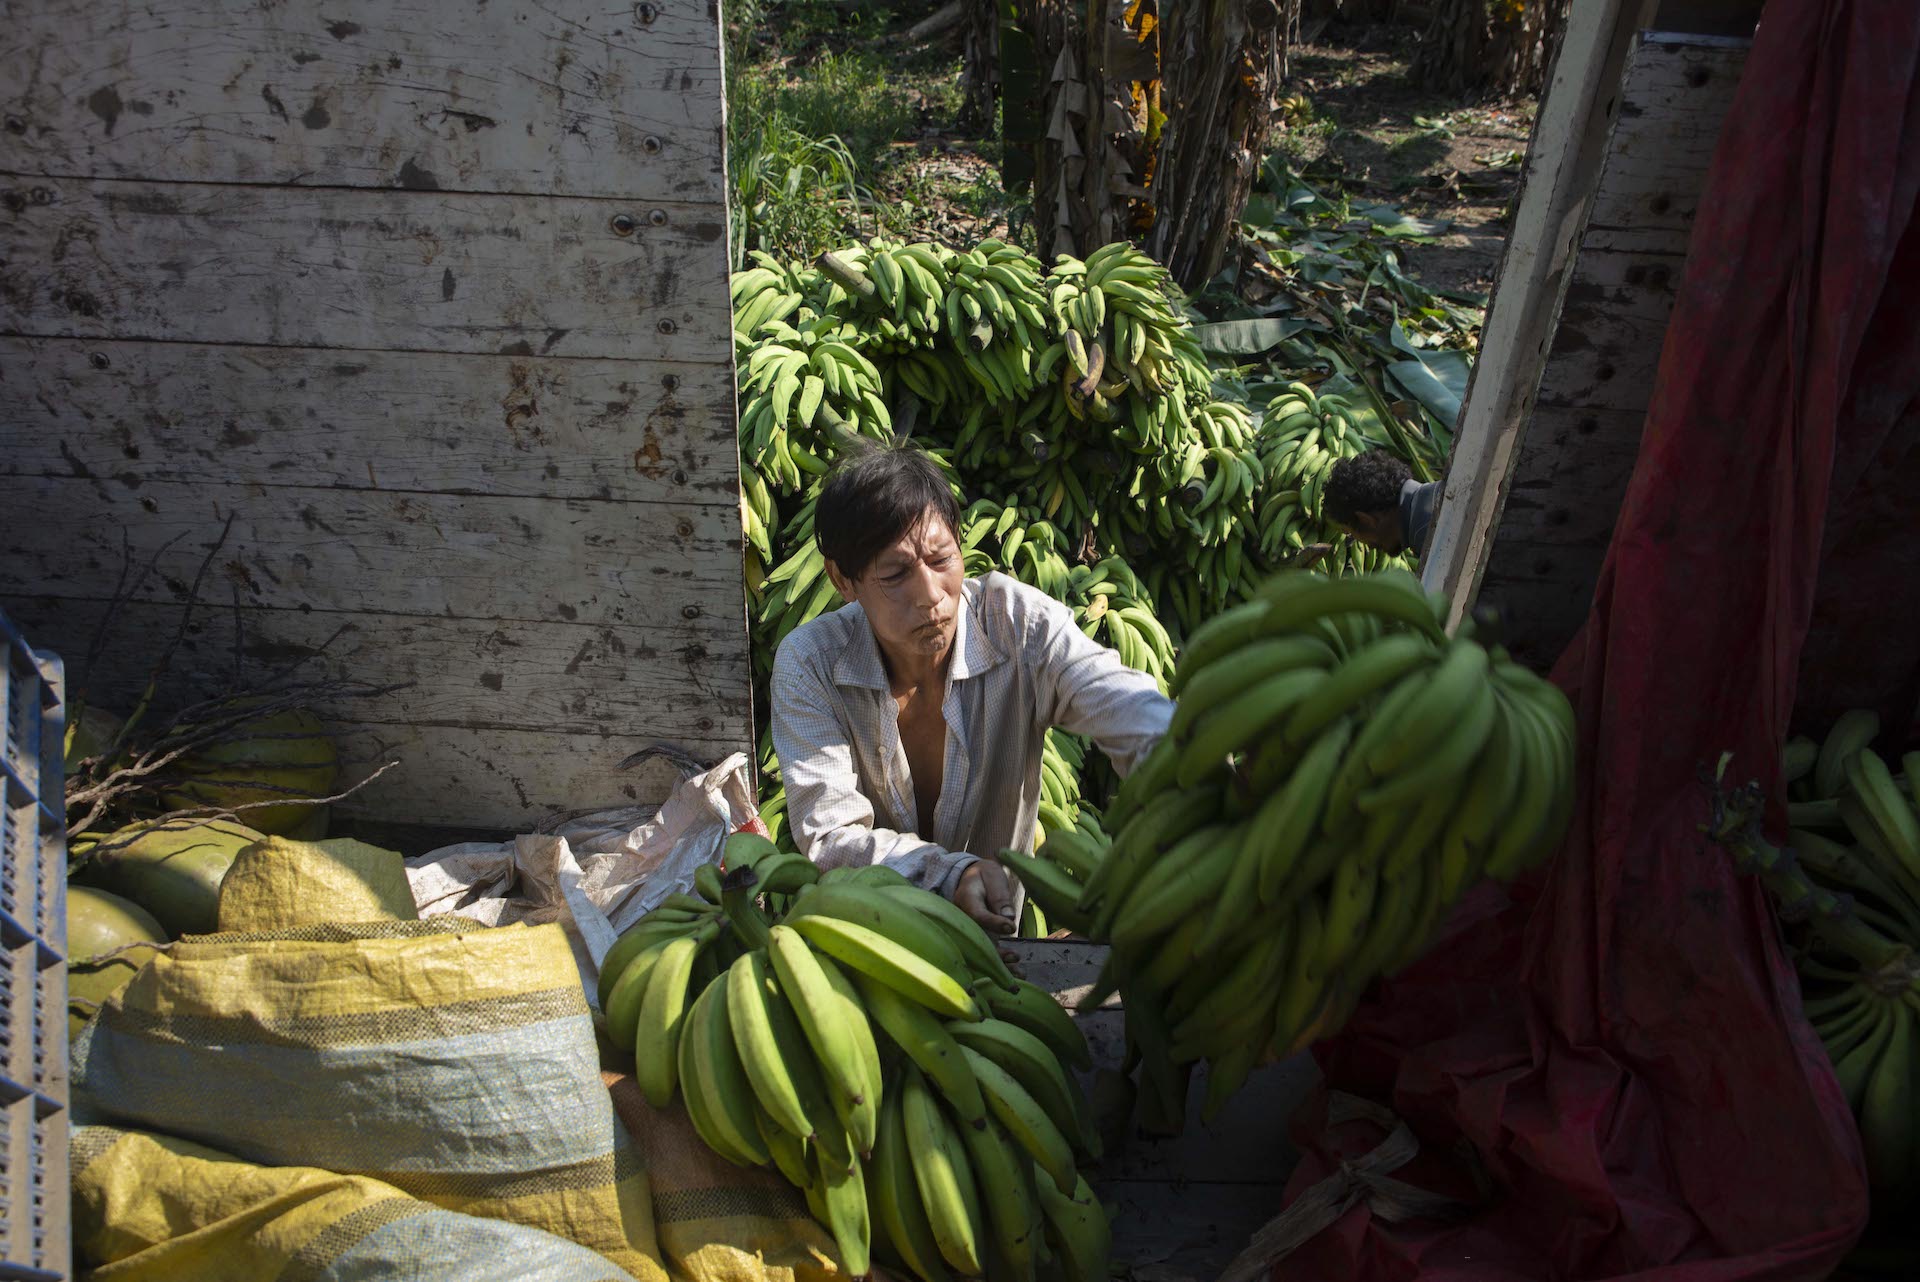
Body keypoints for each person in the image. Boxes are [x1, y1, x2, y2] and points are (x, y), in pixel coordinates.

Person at [768, 446, 1174, 936]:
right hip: (869, 947)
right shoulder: (810, 664)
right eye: (895, 574)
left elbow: (1126, 706)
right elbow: (830, 834)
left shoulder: (1019, 627)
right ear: (842, 580)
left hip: (999, 945)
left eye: (942, 559)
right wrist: (949, 874)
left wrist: (1194, 768)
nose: (931, 595)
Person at [1320, 449, 1443, 563]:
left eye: (1351, 534)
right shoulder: (1441, 491)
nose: (1368, 546)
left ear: (1366, 520)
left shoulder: (1429, 541)